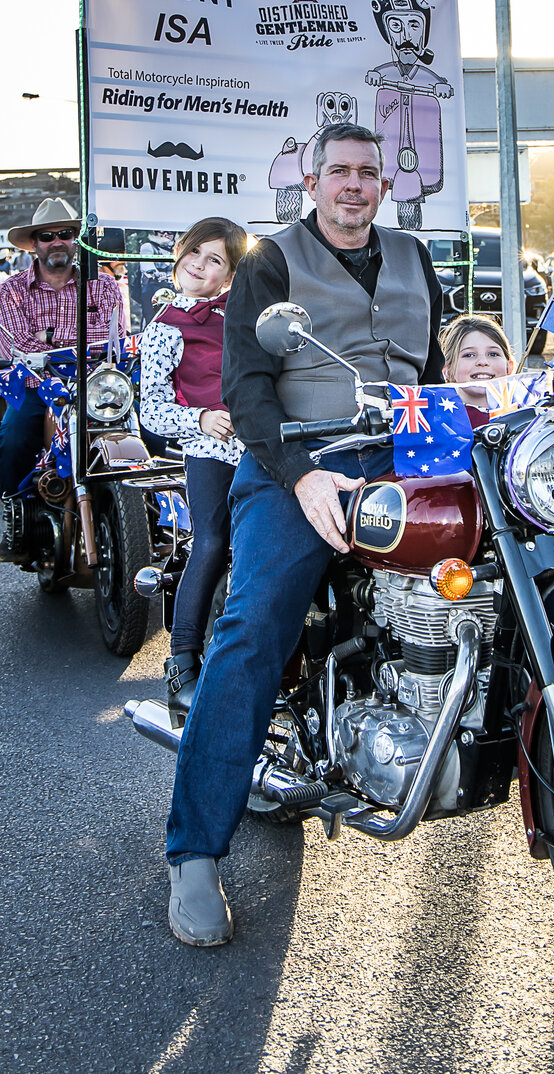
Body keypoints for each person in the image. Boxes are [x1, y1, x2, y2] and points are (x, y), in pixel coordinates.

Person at [164, 122, 444, 947]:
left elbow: (435, 363)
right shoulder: (268, 260)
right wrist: (302, 472)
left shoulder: (415, 257)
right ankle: (194, 852)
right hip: (300, 459)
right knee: (253, 624)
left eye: (368, 172)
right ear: (313, 183)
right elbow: (246, 389)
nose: (354, 185)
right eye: (339, 172)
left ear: (384, 185)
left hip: (405, 456)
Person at [140, 218, 248, 711]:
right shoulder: (164, 326)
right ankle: (181, 659)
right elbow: (152, 411)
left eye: (216, 261)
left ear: (229, 275)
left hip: (261, 445)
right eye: (196, 254)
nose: (200, 267)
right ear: (179, 252)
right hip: (210, 449)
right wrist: (201, 417)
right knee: (210, 541)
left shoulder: (245, 314)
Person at [0, 197, 123, 497]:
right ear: (34, 243)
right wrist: (78, 340)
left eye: (65, 234)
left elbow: (113, 340)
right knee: (13, 439)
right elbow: (15, 345)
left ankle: (144, 517)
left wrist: (49, 336)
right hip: (36, 386)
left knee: (148, 435)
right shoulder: (10, 290)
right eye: (47, 236)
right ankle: (11, 510)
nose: (57, 242)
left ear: (76, 240)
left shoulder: (104, 285)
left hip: (95, 386)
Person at [440, 313, 515, 426]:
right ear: (447, 370)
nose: (482, 362)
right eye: (469, 355)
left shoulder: (528, 419)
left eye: (493, 354)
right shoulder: (438, 422)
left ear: (510, 366)